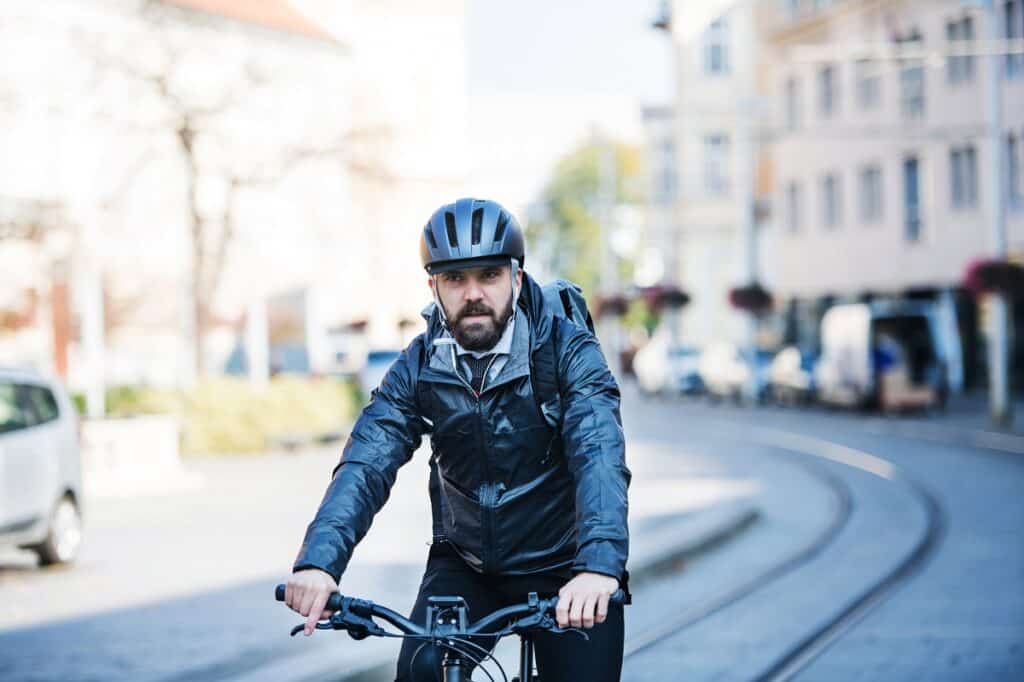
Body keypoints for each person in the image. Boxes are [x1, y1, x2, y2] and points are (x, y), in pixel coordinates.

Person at [284, 198, 630, 682]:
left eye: (488, 275)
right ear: (434, 288)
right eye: (454, 279)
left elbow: (599, 455)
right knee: (423, 671)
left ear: (517, 277)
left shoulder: (565, 348)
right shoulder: (421, 364)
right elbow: (368, 460)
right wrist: (320, 563)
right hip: (467, 565)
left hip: (565, 566)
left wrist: (598, 567)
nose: (473, 294)